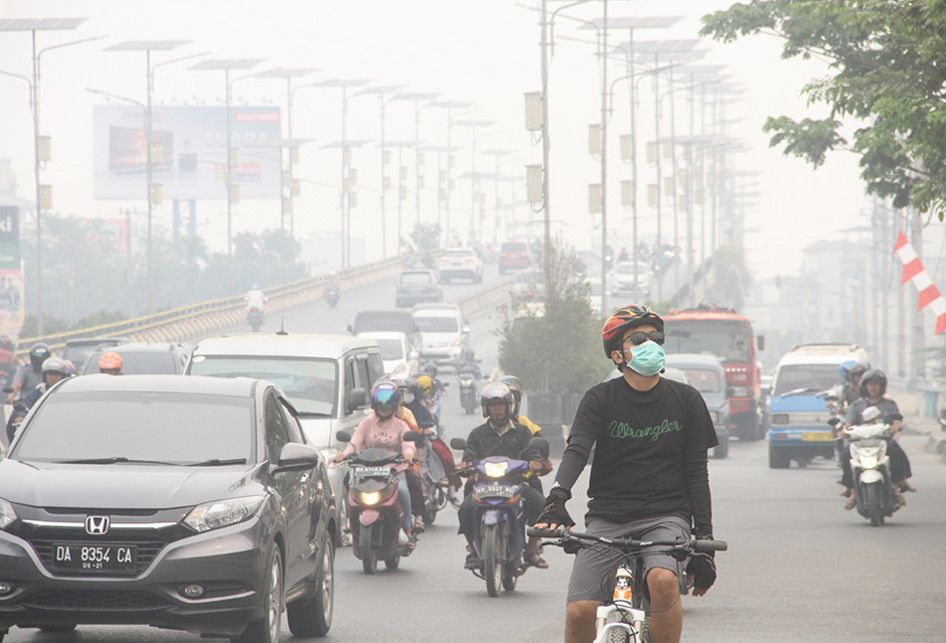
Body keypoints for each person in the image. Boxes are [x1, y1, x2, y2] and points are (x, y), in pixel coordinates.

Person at [534, 304, 719, 643]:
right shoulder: (599, 399)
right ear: (618, 354)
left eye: (655, 337)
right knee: (580, 611)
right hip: (608, 518)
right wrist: (556, 499)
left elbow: (697, 473)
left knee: (663, 581)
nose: (651, 343)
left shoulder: (688, 400)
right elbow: (577, 450)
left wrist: (703, 543)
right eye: (639, 338)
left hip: (666, 517)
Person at [456, 381, 549, 570]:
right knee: (465, 509)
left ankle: (532, 547)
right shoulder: (477, 434)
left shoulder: (522, 431)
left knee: (540, 503)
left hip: (515, 484)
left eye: (500, 406)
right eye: (493, 406)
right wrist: (465, 464)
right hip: (483, 485)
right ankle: (473, 550)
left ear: (508, 407)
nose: (497, 410)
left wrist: (535, 461)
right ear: (486, 409)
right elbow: (469, 455)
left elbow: (531, 451)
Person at [334, 381, 417, 548]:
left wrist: (408, 453)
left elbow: (408, 444)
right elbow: (355, 442)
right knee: (352, 493)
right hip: (366, 471)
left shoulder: (401, 425)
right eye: (381, 404)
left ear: (394, 405)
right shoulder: (366, 423)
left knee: (403, 491)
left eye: (388, 404)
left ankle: (407, 527)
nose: (384, 407)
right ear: (374, 405)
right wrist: (343, 455)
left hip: (394, 471)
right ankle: (351, 526)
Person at [841, 369, 914, 508]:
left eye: (876, 384)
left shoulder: (889, 404)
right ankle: (852, 491)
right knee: (845, 454)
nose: (873, 387)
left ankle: (897, 484)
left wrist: (896, 426)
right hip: (860, 444)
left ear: (882, 386)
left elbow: (897, 420)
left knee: (896, 451)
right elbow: (848, 424)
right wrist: (845, 431)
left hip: (883, 442)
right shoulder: (857, 405)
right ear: (865, 386)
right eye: (870, 384)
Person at [497, 374, 554, 492]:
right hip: (490, 477)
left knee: (535, 486)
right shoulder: (483, 429)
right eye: (496, 403)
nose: (500, 408)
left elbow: (538, 444)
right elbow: (473, 450)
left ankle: (544, 511)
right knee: (470, 487)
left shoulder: (523, 423)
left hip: (521, 475)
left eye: (505, 403)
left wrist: (540, 461)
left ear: (514, 403)